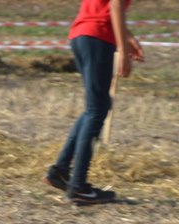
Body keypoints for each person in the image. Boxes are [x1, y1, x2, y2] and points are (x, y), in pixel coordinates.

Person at [43, 0, 145, 205]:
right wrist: (123, 51)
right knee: (97, 109)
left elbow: (104, 9)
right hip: (98, 37)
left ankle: (61, 172)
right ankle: (78, 186)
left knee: (95, 107)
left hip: (81, 35)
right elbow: (115, 6)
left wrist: (128, 38)